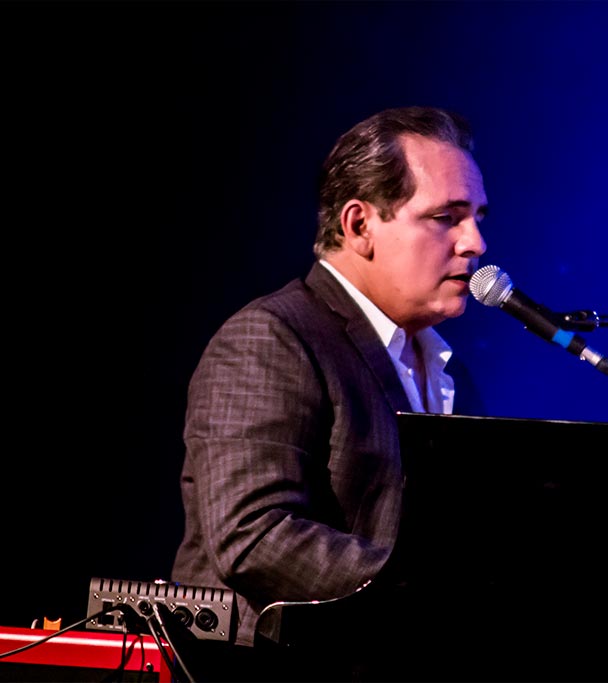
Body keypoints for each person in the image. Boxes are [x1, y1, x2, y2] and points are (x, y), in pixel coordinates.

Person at [169, 106, 489, 671]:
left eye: (478, 218)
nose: (475, 243)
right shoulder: (271, 337)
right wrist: (429, 590)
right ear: (359, 226)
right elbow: (253, 535)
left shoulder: (449, 370)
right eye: (446, 217)